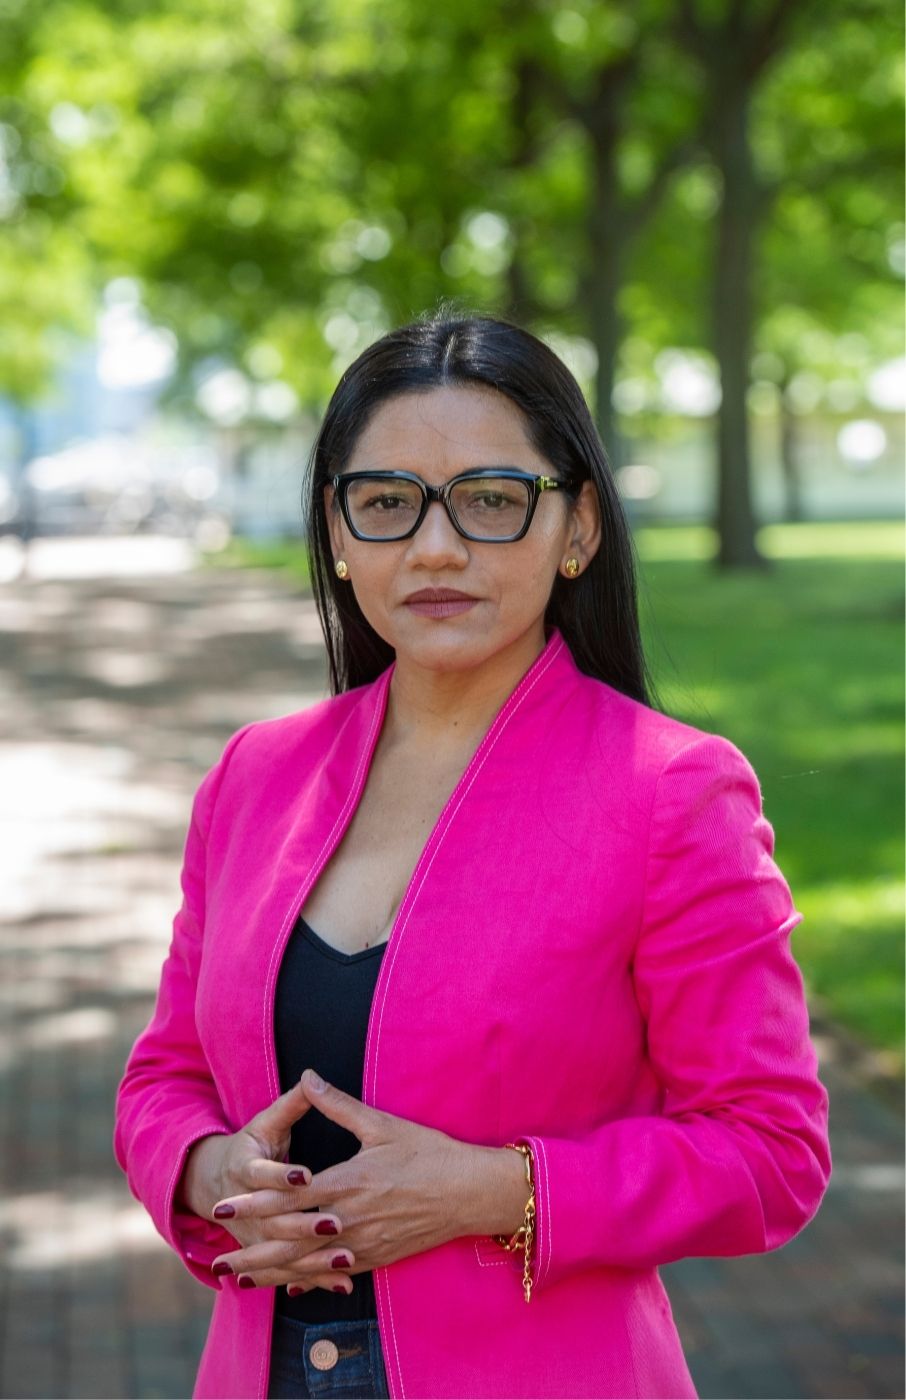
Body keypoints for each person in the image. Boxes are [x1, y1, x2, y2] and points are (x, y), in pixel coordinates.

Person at [114, 313, 831, 1400]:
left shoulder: (672, 791)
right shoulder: (256, 776)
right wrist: (211, 1172)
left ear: (577, 526)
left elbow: (771, 1149)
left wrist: (500, 1189)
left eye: (491, 501)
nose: (435, 547)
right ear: (340, 534)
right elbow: (165, 1075)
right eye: (388, 503)